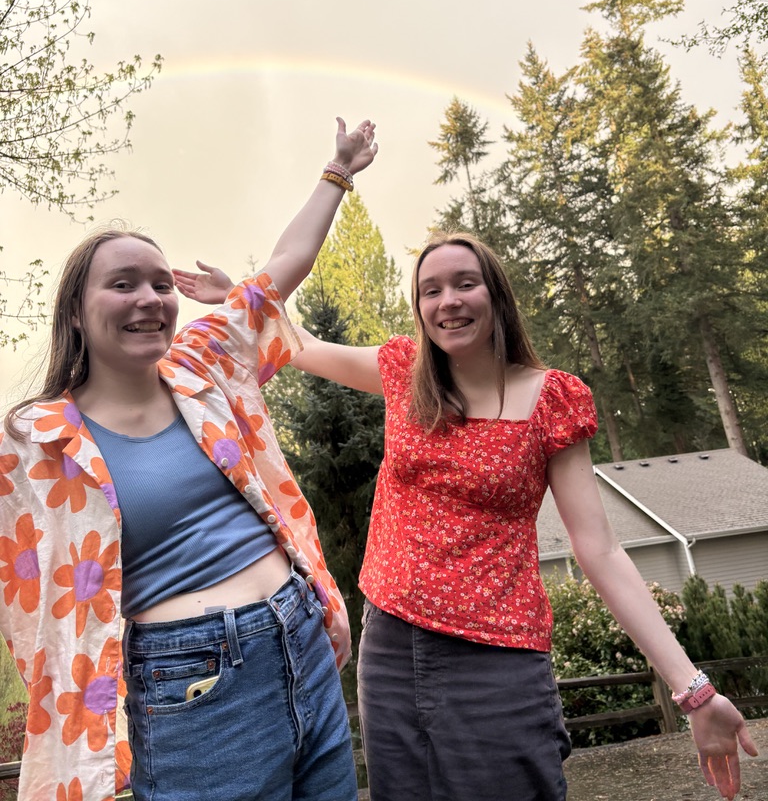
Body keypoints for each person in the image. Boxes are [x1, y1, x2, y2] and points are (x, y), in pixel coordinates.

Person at [175, 229, 759, 801]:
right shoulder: (405, 374)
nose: (448, 300)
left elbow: (599, 550)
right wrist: (239, 303)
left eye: (464, 284)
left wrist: (694, 691)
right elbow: (296, 344)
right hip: (391, 650)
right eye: (431, 290)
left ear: (495, 295)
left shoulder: (553, 399)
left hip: (498, 659)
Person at [0, 118, 377, 801]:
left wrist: (339, 172)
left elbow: (277, 276)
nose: (149, 298)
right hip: (192, 687)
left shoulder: (204, 368)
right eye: (123, 284)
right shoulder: (34, 441)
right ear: (77, 313)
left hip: (301, 641)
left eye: (158, 283)